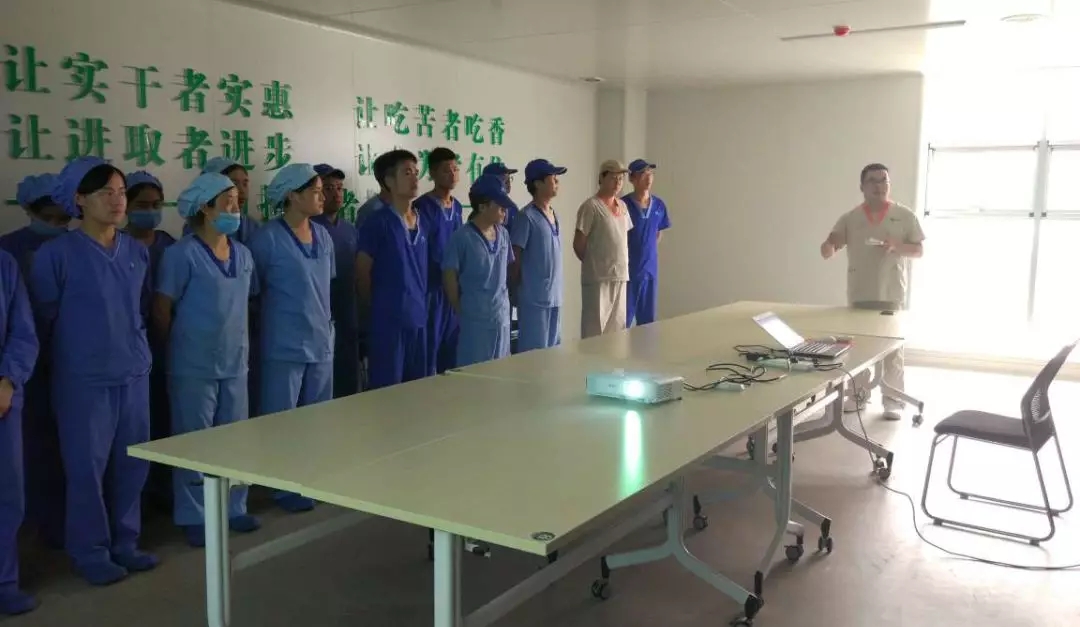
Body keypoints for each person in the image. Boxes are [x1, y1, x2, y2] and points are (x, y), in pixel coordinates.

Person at [29, 156, 158, 585]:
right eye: (106, 192)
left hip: (133, 374)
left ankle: (126, 542)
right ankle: (91, 551)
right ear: (79, 199)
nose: (117, 201)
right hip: (83, 381)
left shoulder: (136, 251)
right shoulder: (56, 255)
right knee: (86, 471)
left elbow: (139, 310)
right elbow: (43, 320)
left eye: (121, 192)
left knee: (132, 465)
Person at [154, 173, 261, 547]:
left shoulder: (243, 255)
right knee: (194, 442)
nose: (236, 206)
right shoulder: (181, 254)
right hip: (193, 365)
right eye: (227, 201)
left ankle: (235, 506)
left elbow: (245, 303)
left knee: (236, 438)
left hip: (234, 362)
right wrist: (178, 348)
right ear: (205, 207)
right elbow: (162, 308)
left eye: (236, 200)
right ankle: (195, 514)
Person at [249, 163, 334, 513]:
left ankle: (310, 479)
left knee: (315, 420)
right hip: (283, 343)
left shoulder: (323, 236)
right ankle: (282, 486)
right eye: (315, 191)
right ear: (292, 196)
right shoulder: (267, 239)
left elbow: (324, 285)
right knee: (281, 421)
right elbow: (253, 291)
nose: (322, 197)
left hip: (320, 341)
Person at [820, 163, 925, 421]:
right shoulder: (851, 218)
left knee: (893, 351)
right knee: (859, 349)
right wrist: (828, 247)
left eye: (884, 180)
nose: (880, 186)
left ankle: (893, 400)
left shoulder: (904, 215)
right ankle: (858, 395)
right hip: (860, 292)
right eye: (873, 181)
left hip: (891, 292)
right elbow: (833, 242)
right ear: (862, 187)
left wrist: (896, 245)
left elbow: (918, 250)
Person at [1, 174, 67, 550]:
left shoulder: (79, 249)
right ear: (29, 210)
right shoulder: (12, 250)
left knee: (63, 452)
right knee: (29, 454)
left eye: (63, 218)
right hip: (26, 372)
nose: (57, 225)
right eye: (48, 217)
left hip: (65, 363)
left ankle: (56, 525)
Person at [122, 171, 176, 511]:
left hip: (167, 345)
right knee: (134, 431)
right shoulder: (116, 246)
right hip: (130, 349)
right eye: (143, 205)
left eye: (157, 205)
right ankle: (138, 499)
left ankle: (163, 489)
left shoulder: (169, 245)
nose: (151, 211)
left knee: (166, 420)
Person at [356, 150, 428, 388]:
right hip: (388, 322)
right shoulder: (378, 222)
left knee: (417, 389)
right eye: (406, 173)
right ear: (388, 180)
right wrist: (378, 309)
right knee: (387, 392)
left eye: (416, 172)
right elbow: (362, 273)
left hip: (418, 318)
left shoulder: (422, 221)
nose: (415, 178)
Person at [0, 247, 40, 615]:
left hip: (2, 398)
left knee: (7, 493)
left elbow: (23, 332)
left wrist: (8, 380)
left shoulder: (5, 264)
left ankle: (4, 582)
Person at [442, 174, 517, 367]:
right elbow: (449, 276)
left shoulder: (503, 234)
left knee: (501, 372)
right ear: (482, 207)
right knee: (476, 373)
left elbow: (507, 271)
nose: (504, 211)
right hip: (475, 322)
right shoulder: (462, 237)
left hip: (501, 318)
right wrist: (461, 308)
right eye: (499, 206)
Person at [312, 164, 360, 398]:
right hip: (320, 312)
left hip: (348, 310)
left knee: (348, 375)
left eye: (339, 188)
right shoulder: (309, 230)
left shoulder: (350, 230)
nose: (336, 194)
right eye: (329, 188)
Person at [414, 148, 462, 374]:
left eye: (455, 169)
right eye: (446, 170)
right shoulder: (423, 207)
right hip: (432, 288)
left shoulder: (457, 206)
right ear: (432, 173)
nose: (452, 174)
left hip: (452, 287)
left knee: (452, 350)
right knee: (430, 349)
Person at [510, 159, 566, 352]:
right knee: (533, 356)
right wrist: (516, 291)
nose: (557, 181)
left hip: (554, 297)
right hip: (534, 300)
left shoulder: (553, 214)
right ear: (538, 183)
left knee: (552, 353)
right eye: (552, 177)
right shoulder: (526, 216)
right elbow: (515, 258)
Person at [574, 159, 633, 338]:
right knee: (595, 330)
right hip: (598, 278)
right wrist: (596, 263)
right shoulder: (591, 206)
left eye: (621, 179)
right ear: (602, 178)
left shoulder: (623, 206)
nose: (618, 182)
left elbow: (621, 239)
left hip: (620, 275)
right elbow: (579, 244)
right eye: (614, 178)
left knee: (617, 330)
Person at [623, 159, 671, 327]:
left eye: (650, 173)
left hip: (650, 270)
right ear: (632, 178)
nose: (648, 178)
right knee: (623, 321)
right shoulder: (623, 205)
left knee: (648, 322)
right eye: (643, 174)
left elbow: (657, 233)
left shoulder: (659, 205)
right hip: (628, 271)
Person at [186, 157, 260, 244]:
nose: (242, 191)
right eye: (234, 184)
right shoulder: (196, 227)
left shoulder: (251, 225)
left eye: (245, 184)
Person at [481, 161, 518, 226]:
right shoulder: (483, 209)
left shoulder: (512, 207)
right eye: (503, 179)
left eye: (509, 178)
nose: (508, 182)